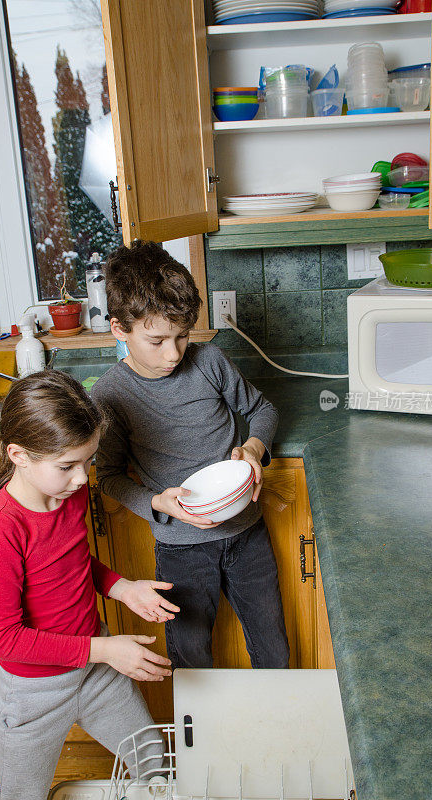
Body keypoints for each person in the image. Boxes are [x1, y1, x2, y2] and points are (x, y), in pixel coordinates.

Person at [0, 370, 177, 800]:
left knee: (156, 764)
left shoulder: (67, 493)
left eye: (88, 461)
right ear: (19, 454)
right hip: (32, 693)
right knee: (20, 794)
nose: (82, 478)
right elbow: (4, 639)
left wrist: (121, 587)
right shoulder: (0, 529)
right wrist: (105, 651)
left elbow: (72, 563)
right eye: (67, 466)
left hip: (96, 670)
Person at [91, 240, 289, 670]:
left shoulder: (210, 362)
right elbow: (106, 476)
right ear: (119, 330)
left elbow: (262, 410)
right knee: (192, 659)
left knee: (273, 651)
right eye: (156, 339)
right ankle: (205, 740)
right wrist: (155, 504)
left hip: (247, 533)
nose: (173, 354)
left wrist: (254, 448)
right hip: (181, 549)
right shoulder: (110, 395)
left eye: (182, 336)